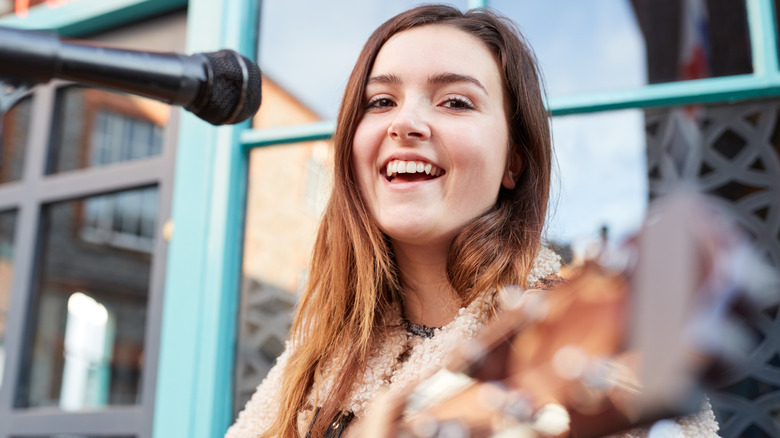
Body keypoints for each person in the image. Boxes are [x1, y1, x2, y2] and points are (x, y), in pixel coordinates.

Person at [226, 5, 720, 438]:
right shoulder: (318, 354)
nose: (405, 123)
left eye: (455, 101)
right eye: (381, 102)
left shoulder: (580, 340)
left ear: (514, 163)